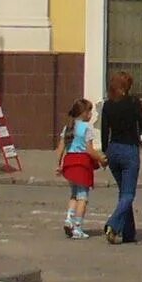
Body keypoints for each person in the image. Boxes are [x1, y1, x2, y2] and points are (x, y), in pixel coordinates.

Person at [99, 71, 142, 245]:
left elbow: (105, 132)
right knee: (128, 194)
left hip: (113, 150)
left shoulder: (107, 105)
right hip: (129, 150)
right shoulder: (134, 102)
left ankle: (129, 232)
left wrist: (105, 153)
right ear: (126, 87)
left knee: (123, 192)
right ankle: (112, 224)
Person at [57, 98, 98, 238]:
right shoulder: (87, 128)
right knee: (83, 197)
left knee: (74, 194)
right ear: (84, 113)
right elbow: (90, 150)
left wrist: (59, 164)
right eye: (89, 111)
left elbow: (61, 146)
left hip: (69, 162)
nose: (91, 114)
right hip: (82, 164)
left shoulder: (68, 127)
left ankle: (69, 219)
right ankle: (77, 227)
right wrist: (101, 158)